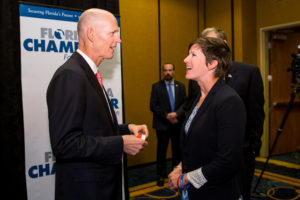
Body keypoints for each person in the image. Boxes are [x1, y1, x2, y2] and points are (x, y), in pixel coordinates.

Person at [46, 8, 148, 200]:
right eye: (113, 33)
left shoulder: (87, 73)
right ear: (91, 34)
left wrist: (127, 129)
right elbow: (65, 144)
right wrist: (120, 143)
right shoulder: (71, 76)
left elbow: (92, 128)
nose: (119, 40)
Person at [189, 27, 264, 200]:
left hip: (239, 154)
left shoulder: (248, 72)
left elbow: (256, 113)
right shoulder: (196, 77)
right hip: (204, 157)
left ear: (224, 46)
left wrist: (252, 148)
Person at [168, 37, 246, 199]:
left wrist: (185, 179)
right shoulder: (200, 96)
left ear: (212, 64)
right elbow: (196, 146)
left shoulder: (229, 100)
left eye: (193, 55)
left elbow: (228, 162)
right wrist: (180, 168)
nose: (185, 59)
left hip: (217, 193)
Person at [150, 63, 186, 186]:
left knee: (177, 152)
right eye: (165, 70)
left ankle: (175, 175)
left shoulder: (180, 86)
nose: (168, 73)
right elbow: (153, 105)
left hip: (177, 124)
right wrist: (167, 116)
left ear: (174, 71)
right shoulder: (156, 87)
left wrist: (176, 114)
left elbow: (184, 104)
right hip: (162, 125)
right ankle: (160, 176)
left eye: (170, 70)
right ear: (163, 72)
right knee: (161, 152)